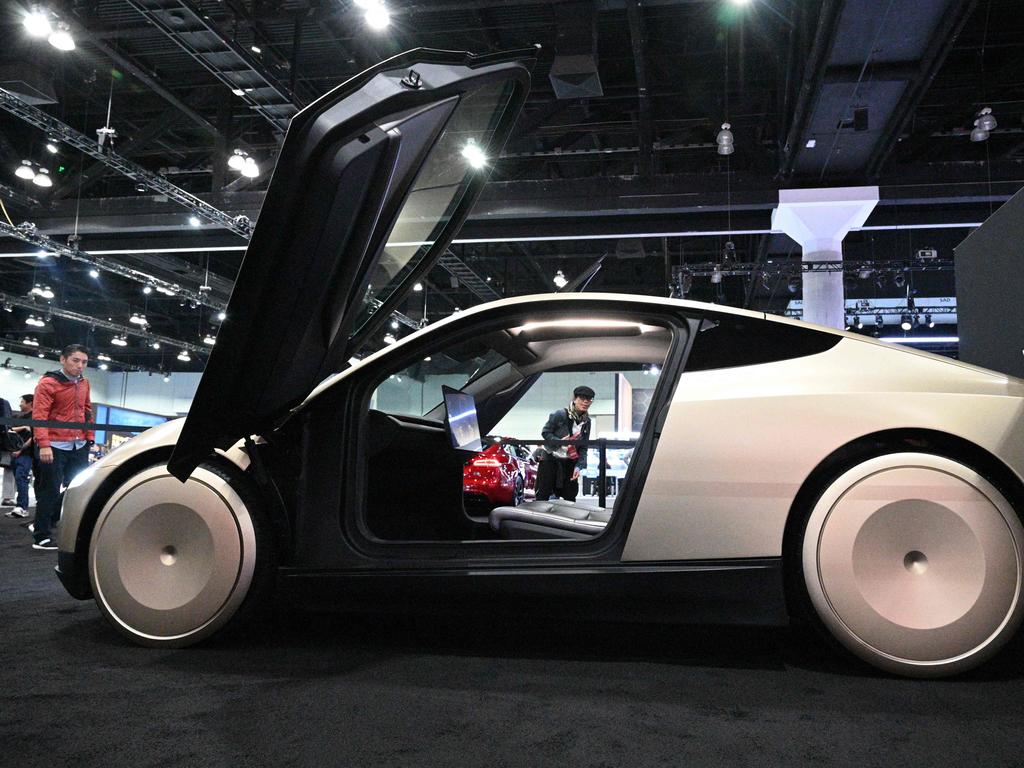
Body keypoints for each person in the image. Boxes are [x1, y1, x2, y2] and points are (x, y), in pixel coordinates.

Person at [31, 344, 93, 551]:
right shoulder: (48, 383)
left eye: (84, 362)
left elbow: (87, 411)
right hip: (55, 445)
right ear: (63, 359)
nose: (80, 366)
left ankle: (47, 520)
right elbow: (39, 416)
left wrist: (89, 437)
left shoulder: (84, 383)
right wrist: (44, 444)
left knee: (76, 488)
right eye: (75, 360)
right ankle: (41, 536)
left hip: (79, 444)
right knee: (49, 490)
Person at [534, 385, 594, 503]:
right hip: (551, 459)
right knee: (543, 494)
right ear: (575, 399)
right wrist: (559, 441)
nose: (586, 402)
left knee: (570, 495)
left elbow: (584, 446)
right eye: (582, 398)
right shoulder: (560, 414)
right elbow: (545, 432)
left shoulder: (587, 421)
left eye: (589, 399)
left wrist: (579, 466)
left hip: (570, 461)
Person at [4, 394, 34, 519]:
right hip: (15, 453)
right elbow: (9, 430)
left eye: (22, 402)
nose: (20, 404)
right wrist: (23, 427)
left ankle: (23, 507)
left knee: (22, 478)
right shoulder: (18, 417)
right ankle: (19, 506)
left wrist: (20, 450)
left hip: (27, 454)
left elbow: (34, 437)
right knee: (18, 478)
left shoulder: (35, 417)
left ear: (29, 403)